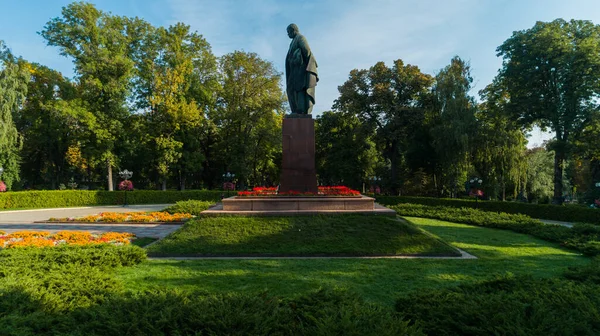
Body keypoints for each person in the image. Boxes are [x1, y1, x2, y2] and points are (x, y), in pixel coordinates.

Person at [285, 24, 318, 115]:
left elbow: (306, 52)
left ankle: (301, 110)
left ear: (293, 30)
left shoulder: (300, 38)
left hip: (300, 70)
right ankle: (295, 110)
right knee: (292, 90)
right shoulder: (293, 42)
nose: (288, 34)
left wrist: (300, 62)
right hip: (294, 71)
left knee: (299, 89)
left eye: (288, 32)